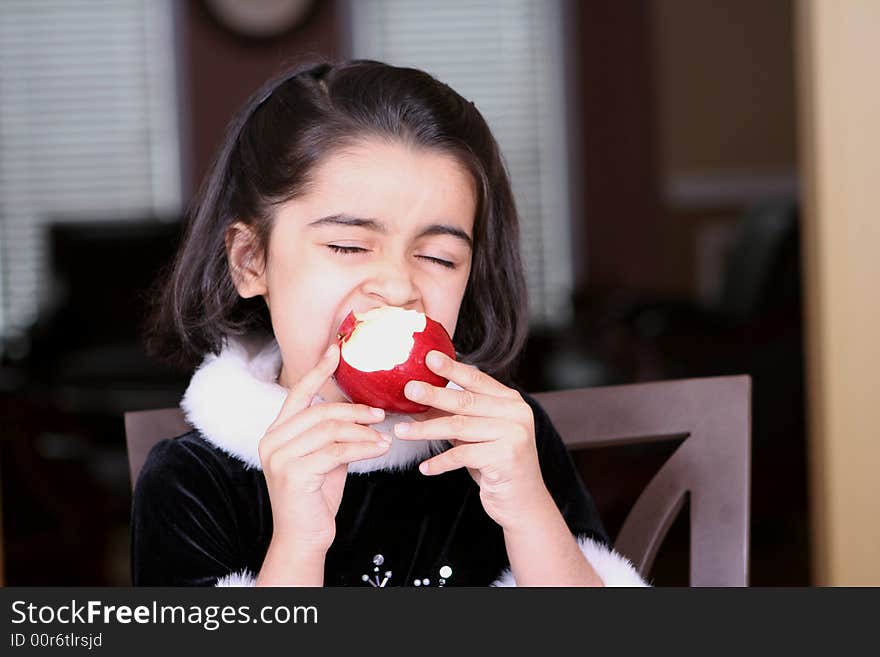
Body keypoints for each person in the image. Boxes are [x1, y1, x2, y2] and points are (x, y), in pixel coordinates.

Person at [131, 59, 648, 587]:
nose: (399, 287)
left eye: (441, 258)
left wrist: (529, 512)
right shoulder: (192, 482)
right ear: (250, 261)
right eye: (348, 246)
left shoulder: (508, 443)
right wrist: (300, 545)